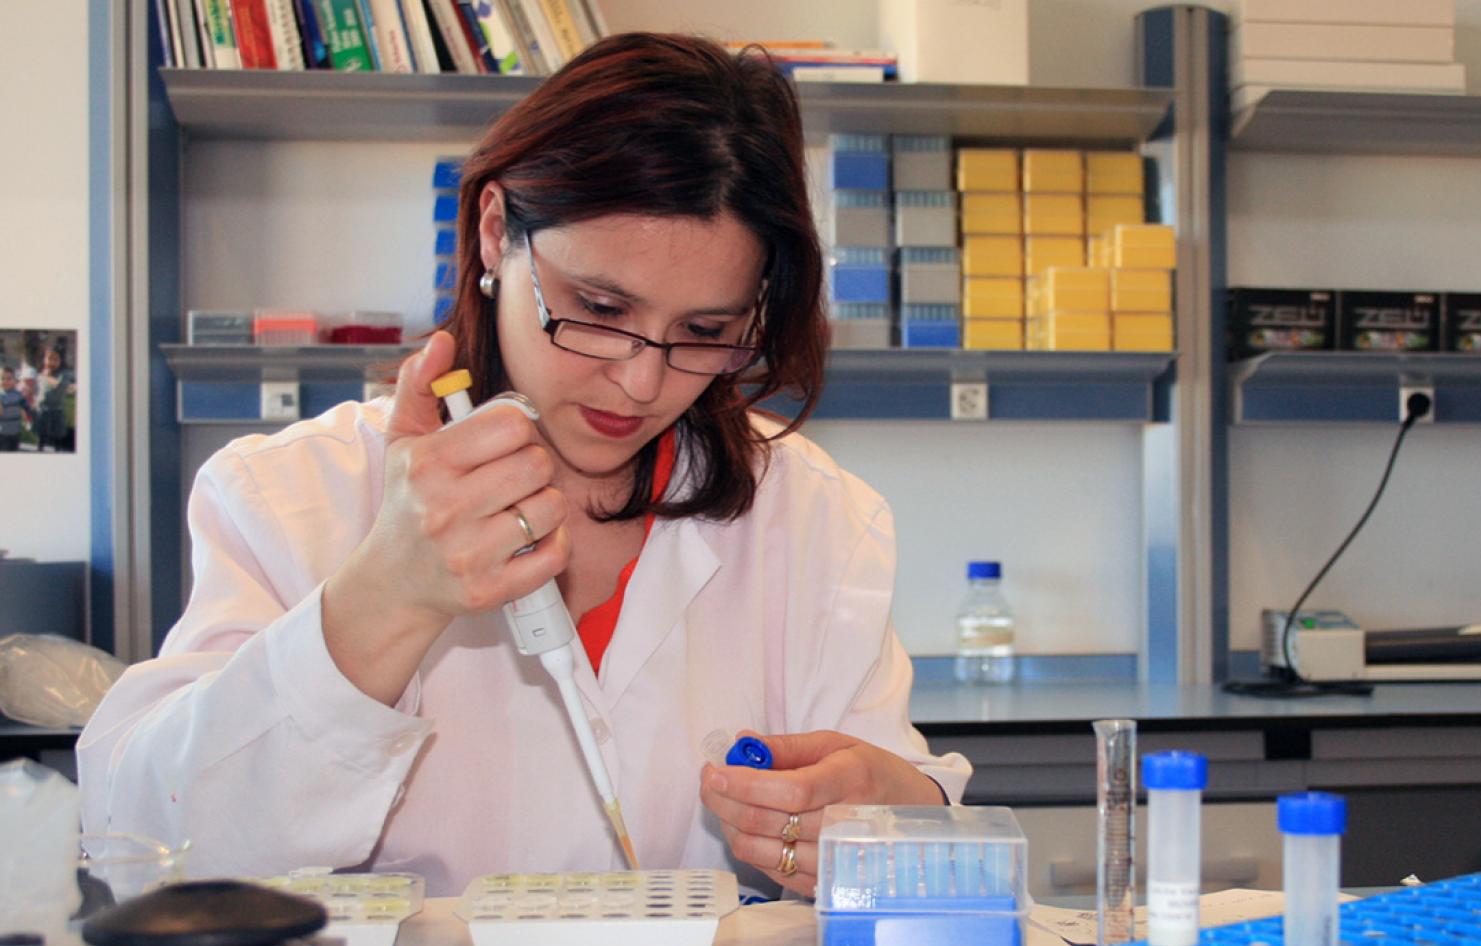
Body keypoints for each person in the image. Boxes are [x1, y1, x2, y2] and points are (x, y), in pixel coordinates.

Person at [77, 33, 970, 898]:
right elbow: (147, 849)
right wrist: (385, 595)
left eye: (705, 332)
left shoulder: (813, 515)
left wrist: (898, 814)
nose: (642, 377)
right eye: (599, 305)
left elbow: (893, 809)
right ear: (496, 231)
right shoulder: (290, 491)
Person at [32, 346, 74, 452]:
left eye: (55, 359)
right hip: (42, 408)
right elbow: (38, 389)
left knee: (57, 433)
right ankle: (39, 448)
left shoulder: (64, 374)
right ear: (44, 360)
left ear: (60, 361)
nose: (52, 362)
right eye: (49, 358)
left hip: (56, 409)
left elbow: (58, 385)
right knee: (41, 432)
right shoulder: (41, 373)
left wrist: (47, 376)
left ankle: (57, 449)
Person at [0, 366, 32, 452]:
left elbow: (25, 409)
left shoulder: (18, 394)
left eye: (9, 379)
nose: (5, 381)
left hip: (16, 431)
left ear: (15, 381)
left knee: (14, 452)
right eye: (2, 378)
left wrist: (27, 421)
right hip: (2, 432)